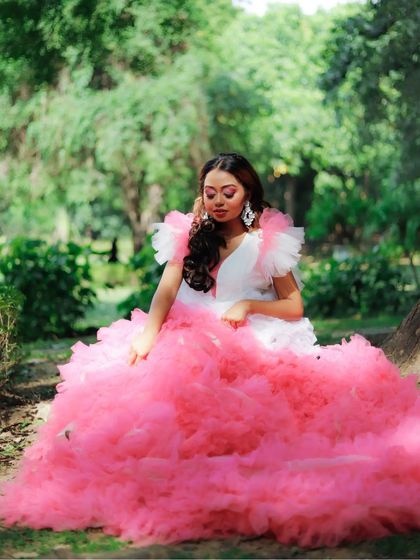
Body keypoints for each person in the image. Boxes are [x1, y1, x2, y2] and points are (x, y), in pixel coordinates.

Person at [1, 153, 420, 549]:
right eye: (210, 192)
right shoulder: (189, 234)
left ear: (248, 195)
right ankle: (103, 460)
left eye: (229, 192)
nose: (218, 201)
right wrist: (148, 334)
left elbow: (294, 306)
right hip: (185, 332)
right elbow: (166, 291)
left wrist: (250, 305)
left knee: (233, 404)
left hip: (247, 335)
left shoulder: (266, 242)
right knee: (136, 385)